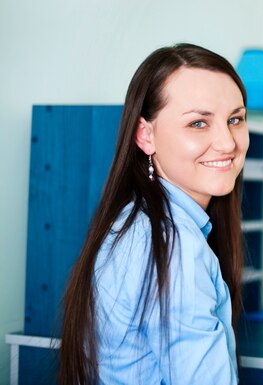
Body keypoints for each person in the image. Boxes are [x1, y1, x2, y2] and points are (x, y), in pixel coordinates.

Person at [58, 43, 249, 384]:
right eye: (198, 123)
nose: (228, 142)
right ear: (146, 135)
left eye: (235, 119)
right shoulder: (173, 244)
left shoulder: (136, 221)